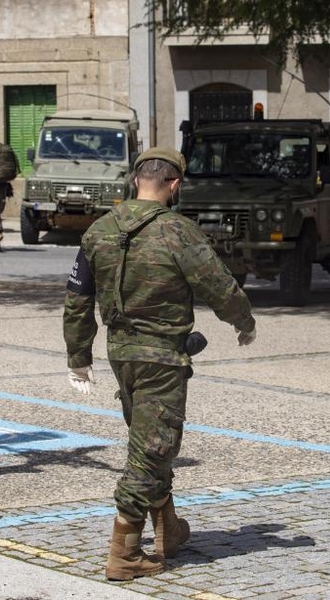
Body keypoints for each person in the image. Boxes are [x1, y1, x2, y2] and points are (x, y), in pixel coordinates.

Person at [62, 147, 257, 580]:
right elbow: (220, 287)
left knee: (149, 438)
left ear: (136, 180)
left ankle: (168, 528)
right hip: (161, 357)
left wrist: (79, 357)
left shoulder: (98, 231)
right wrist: (244, 322)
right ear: (174, 184)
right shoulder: (178, 231)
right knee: (153, 449)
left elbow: (77, 301)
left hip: (120, 355)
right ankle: (125, 551)